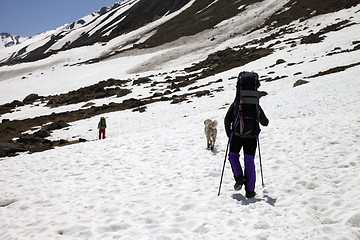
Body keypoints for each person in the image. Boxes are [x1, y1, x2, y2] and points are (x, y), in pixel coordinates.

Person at [224, 71, 269, 198]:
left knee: (233, 156)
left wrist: (230, 135)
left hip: (237, 135)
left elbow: (227, 119)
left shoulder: (237, 103)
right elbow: (265, 122)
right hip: (252, 136)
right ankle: (250, 191)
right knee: (249, 161)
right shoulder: (255, 104)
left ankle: (239, 177)